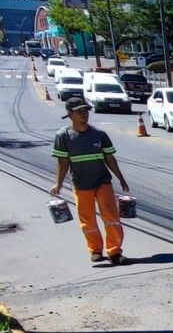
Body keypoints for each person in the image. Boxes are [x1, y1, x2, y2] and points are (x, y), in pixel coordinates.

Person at [50, 97, 130, 265]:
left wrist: (121, 179)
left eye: (86, 111)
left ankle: (114, 251)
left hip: (103, 182)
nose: (84, 114)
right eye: (79, 111)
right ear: (69, 114)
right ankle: (95, 250)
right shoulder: (63, 136)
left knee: (111, 217)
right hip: (80, 185)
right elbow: (62, 162)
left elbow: (110, 158)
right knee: (87, 220)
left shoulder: (99, 135)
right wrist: (58, 183)